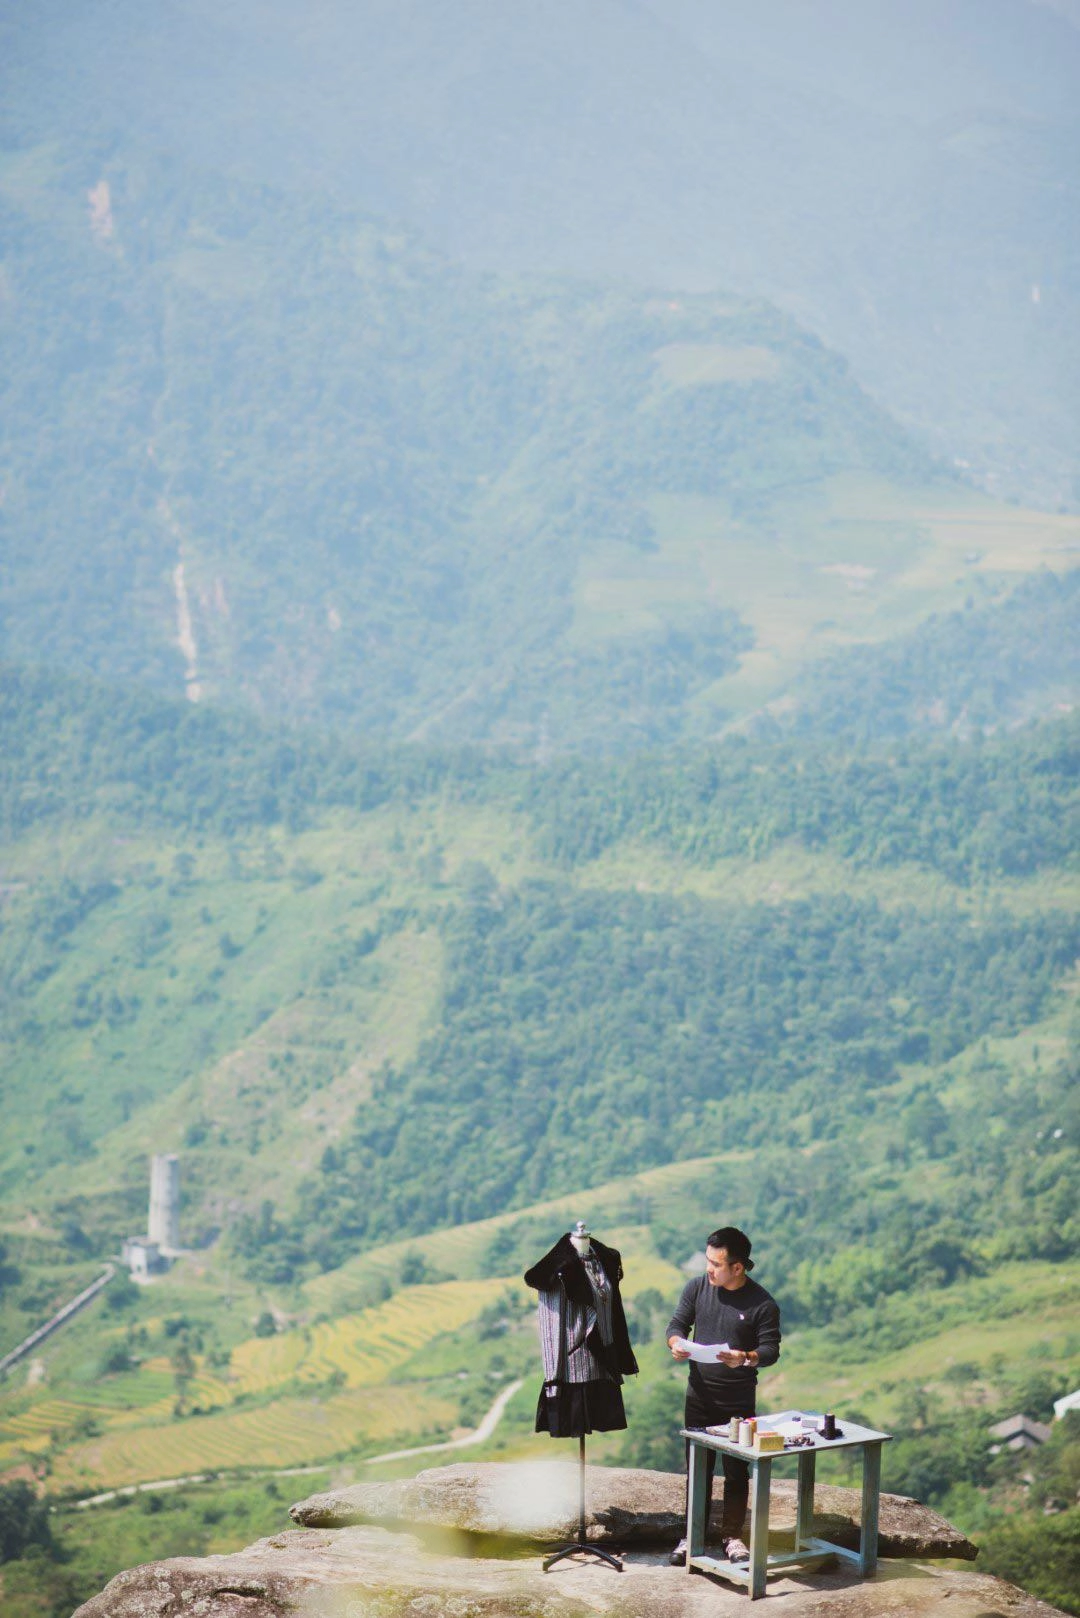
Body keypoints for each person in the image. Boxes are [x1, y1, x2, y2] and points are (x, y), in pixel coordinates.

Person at [665, 1226, 781, 1566]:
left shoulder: (762, 1303)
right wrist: (676, 1344)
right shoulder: (697, 1288)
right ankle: (692, 1535)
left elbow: (770, 1349)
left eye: (717, 1263)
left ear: (738, 1267)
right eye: (708, 1261)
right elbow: (676, 1325)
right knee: (697, 1469)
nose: (709, 1269)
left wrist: (744, 1357)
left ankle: (732, 1537)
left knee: (735, 1472)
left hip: (738, 1401)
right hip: (699, 1394)